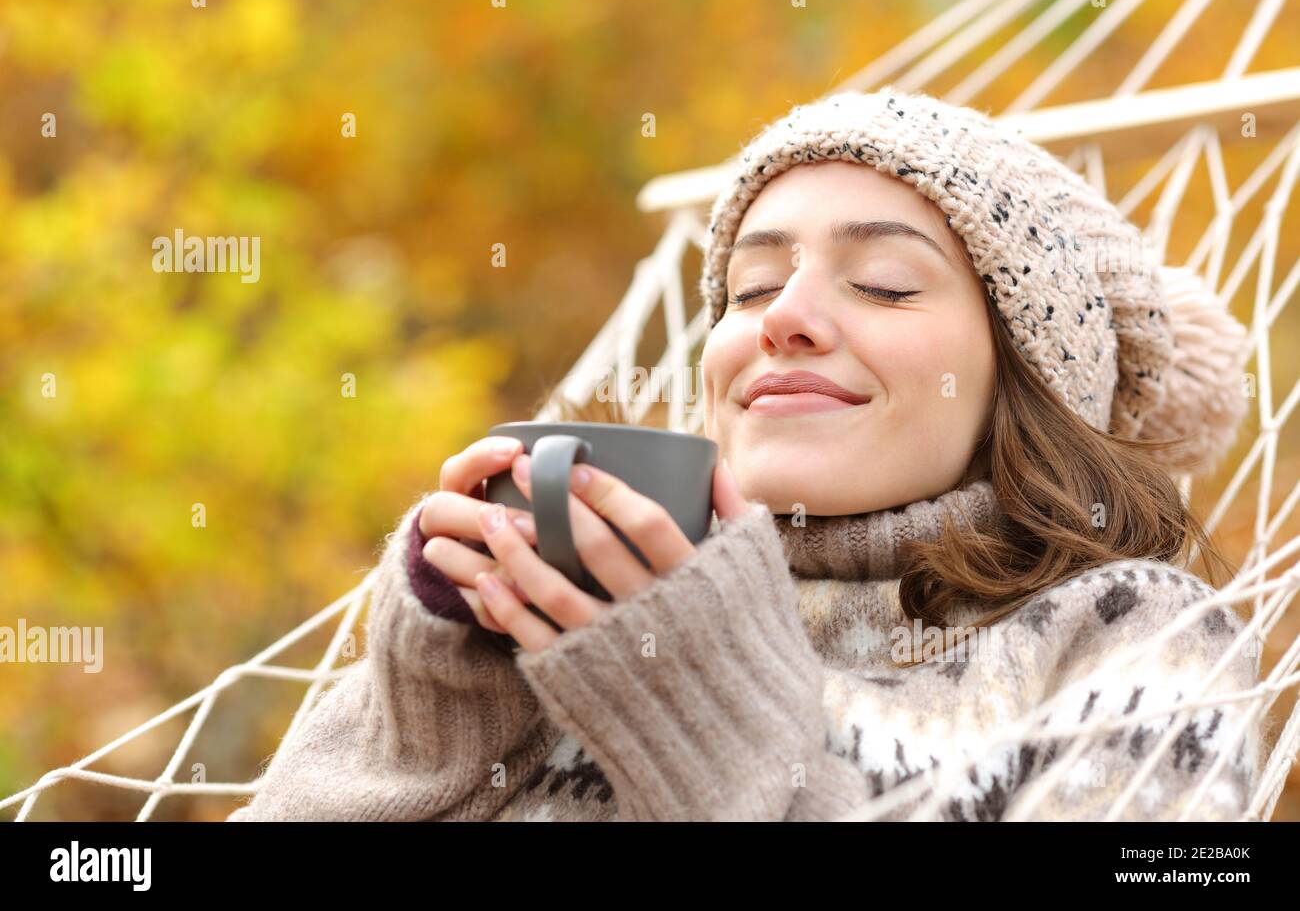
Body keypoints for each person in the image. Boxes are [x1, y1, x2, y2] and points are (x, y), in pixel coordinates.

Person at [227, 87, 1261, 822]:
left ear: (1026, 380)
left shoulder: (1122, 635)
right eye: (751, 288)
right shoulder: (575, 611)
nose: (786, 319)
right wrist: (431, 714)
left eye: (887, 283)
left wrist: (712, 721)